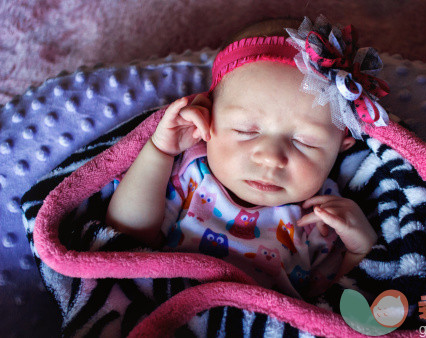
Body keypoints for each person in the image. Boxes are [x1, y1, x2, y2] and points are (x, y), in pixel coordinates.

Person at [106, 16, 382, 298]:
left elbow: (328, 304)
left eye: (305, 142)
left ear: (342, 145)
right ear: (208, 116)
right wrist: (159, 151)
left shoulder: (320, 218)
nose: (271, 158)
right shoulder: (192, 174)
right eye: (245, 131)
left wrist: (359, 250)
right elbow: (125, 233)